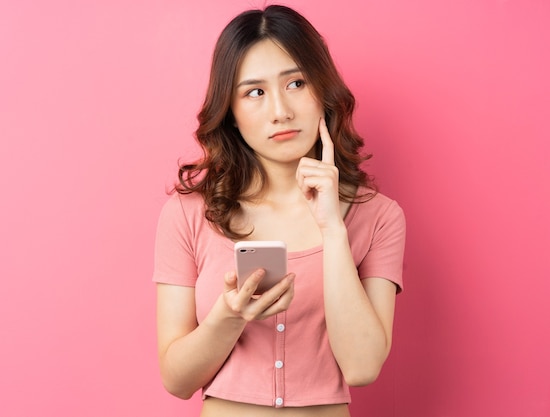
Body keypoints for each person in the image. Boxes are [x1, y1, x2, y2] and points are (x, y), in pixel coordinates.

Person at [153, 5, 406, 416]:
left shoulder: (379, 217)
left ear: (322, 92)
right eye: (255, 92)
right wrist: (228, 317)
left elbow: (362, 367)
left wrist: (332, 230)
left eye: (296, 83)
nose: (280, 111)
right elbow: (177, 380)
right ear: (231, 113)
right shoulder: (187, 214)